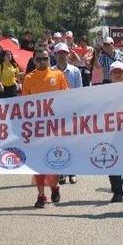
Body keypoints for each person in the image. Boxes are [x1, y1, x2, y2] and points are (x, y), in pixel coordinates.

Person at [21, 48, 69, 208]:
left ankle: (55, 186)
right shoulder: (28, 78)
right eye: (39, 59)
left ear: (50, 59)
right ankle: (41, 195)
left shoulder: (58, 75)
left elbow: (68, 97)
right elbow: (23, 104)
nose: (42, 61)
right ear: (34, 61)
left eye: (45, 59)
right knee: (37, 163)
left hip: (54, 128)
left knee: (53, 160)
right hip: (36, 128)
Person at [99, 61, 123, 202]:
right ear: (110, 74)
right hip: (109, 131)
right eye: (115, 72)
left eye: (120, 72)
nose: (118, 74)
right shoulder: (102, 90)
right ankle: (117, 191)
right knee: (111, 161)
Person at [53, 42, 82, 185]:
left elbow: (79, 91)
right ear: (55, 55)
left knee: (71, 142)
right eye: (59, 53)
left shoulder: (75, 71)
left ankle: (72, 171)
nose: (62, 55)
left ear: (68, 54)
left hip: (71, 111)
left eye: (64, 53)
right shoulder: (50, 71)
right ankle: (61, 172)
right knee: (58, 142)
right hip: (55, 112)